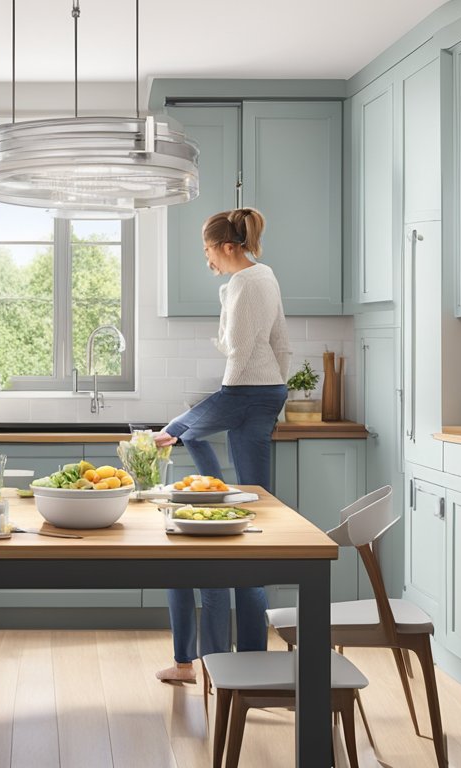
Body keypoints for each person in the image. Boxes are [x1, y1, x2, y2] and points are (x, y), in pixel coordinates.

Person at [153, 207, 290, 684]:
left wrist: (224, 394)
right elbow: (279, 342)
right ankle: (249, 664)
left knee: (175, 429)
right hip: (266, 392)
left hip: (246, 391)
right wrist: (275, 386)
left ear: (227, 247)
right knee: (257, 507)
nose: (207, 257)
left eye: (208, 249)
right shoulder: (265, 276)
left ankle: (206, 490)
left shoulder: (244, 284)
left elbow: (236, 346)